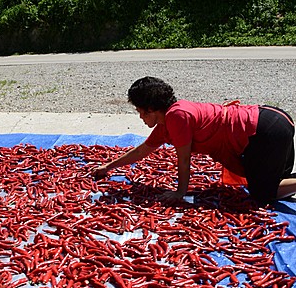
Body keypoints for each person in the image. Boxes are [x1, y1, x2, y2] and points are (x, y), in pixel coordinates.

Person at [94, 76, 296, 204]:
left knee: (263, 194)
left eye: (140, 112)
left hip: (265, 130)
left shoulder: (177, 117)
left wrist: (180, 192)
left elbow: (183, 160)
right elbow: (142, 151)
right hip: (273, 120)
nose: (140, 117)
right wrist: (107, 167)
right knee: (277, 180)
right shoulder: (167, 123)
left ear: (151, 109)